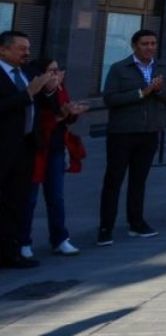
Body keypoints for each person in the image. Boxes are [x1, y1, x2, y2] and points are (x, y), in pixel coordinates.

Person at [98, 29, 166, 246]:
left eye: (153, 43)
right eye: (145, 44)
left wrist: (159, 91)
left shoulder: (162, 68)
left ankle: (136, 222)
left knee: (138, 181)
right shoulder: (119, 68)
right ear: (134, 46)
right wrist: (143, 92)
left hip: (150, 132)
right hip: (122, 132)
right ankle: (106, 227)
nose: (150, 47)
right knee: (114, 180)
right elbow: (110, 98)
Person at [20, 58, 87, 260]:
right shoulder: (33, 90)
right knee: (29, 199)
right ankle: (23, 241)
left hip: (57, 147)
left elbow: (65, 113)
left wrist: (71, 113)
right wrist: (59, 114)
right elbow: (36, 119)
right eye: (51, 71)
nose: (56, 75)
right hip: (36, 149)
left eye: (58, 70)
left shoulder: (59, 89)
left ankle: (60, 238)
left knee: (56, 196)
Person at [0, 31, 54, 268]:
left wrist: (50, 89)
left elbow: (43, 104)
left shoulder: (28, 73)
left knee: (17, 201)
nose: (27, 53)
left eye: (28, 48)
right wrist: (27, 94)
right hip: (3, 146)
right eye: (21, 48)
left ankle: (11, 252)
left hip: (26, 146)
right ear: (3, 50)